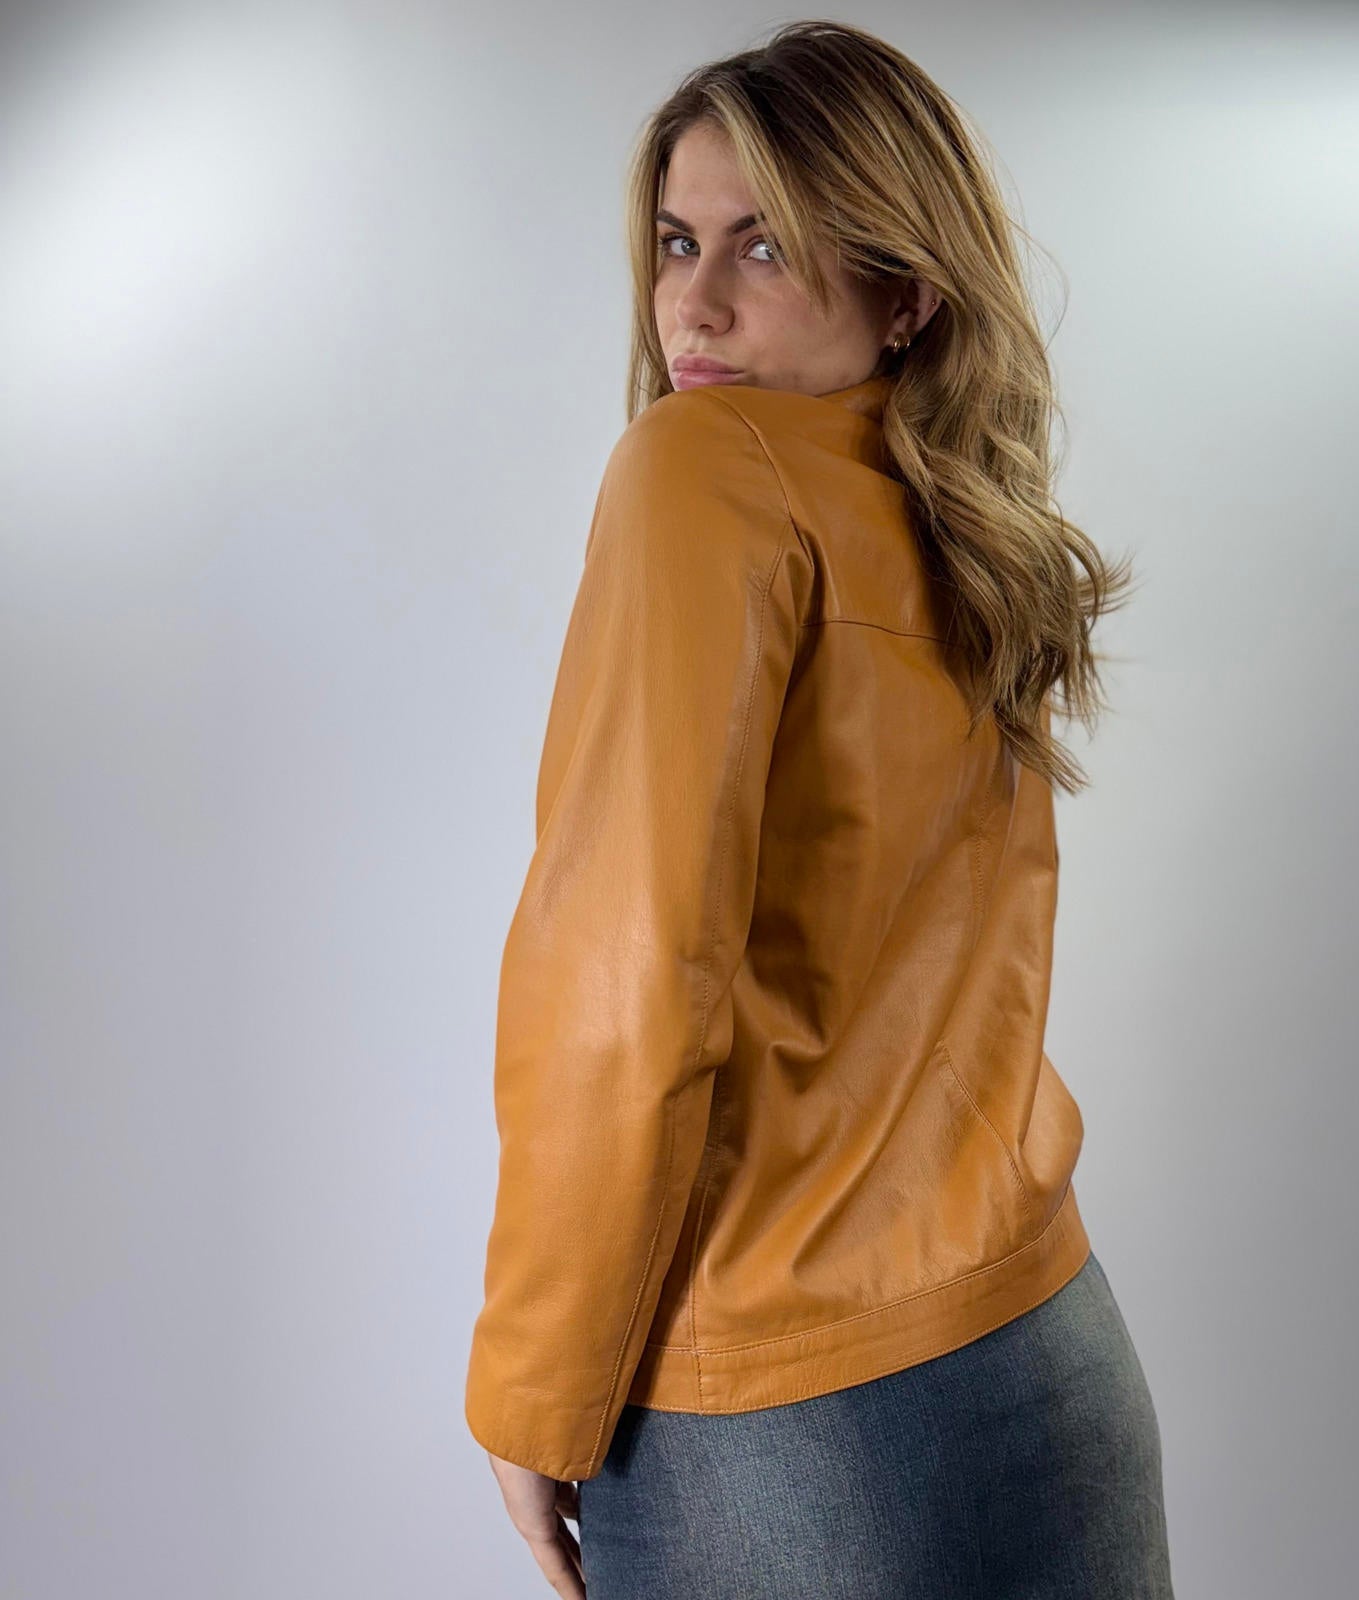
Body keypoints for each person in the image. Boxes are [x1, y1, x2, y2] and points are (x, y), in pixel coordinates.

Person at [465, 19, 1173, 1599]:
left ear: (906, 288)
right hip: (1042, 1345)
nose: (696, 302)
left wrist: (533, 1381)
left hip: (785, 1419)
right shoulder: (958, 518)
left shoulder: (698, 472)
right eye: (677, 241)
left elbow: (627, 983)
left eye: (765, 245)